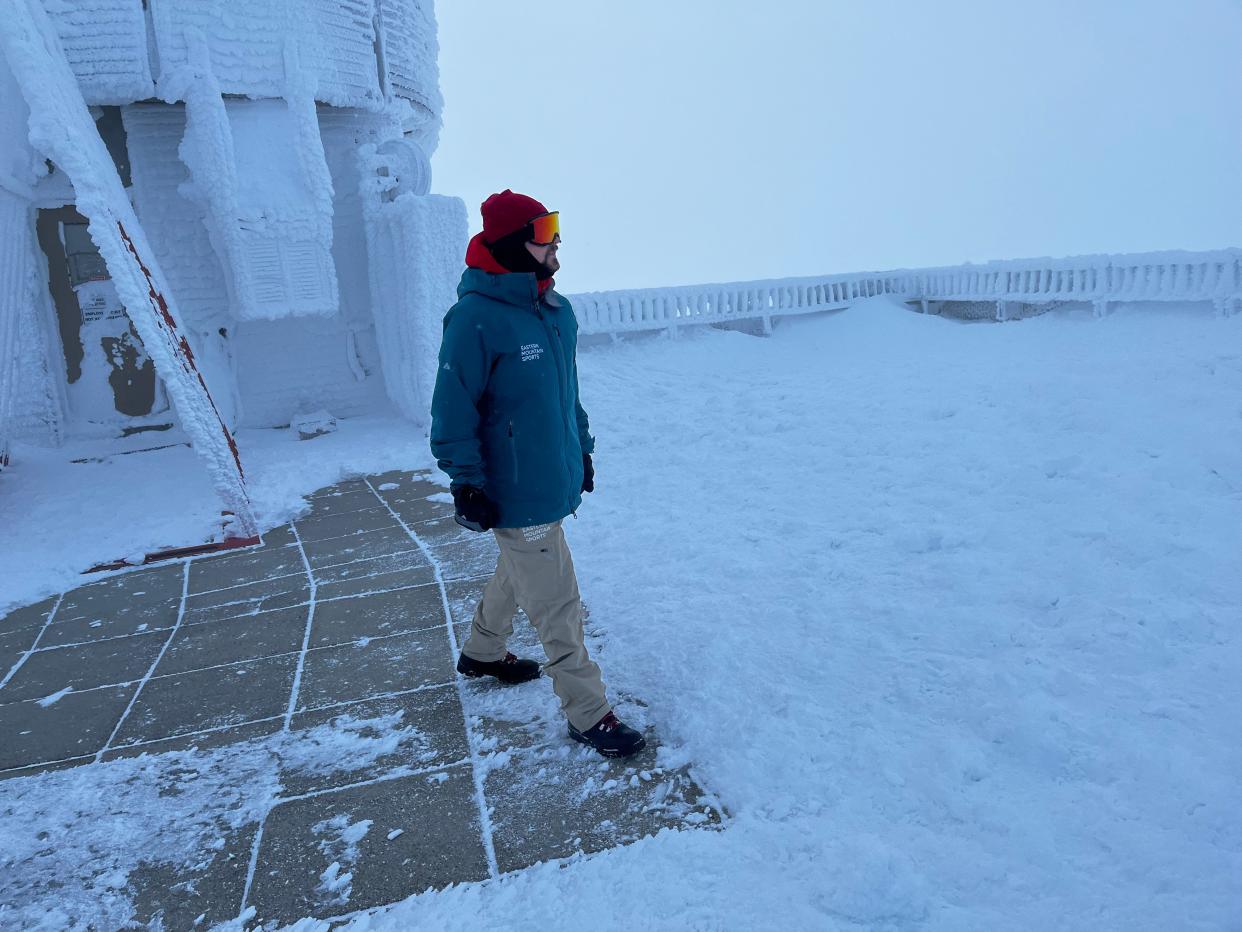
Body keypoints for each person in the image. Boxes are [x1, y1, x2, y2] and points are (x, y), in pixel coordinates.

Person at [430, 189, 646, 759]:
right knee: (556, 601)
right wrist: (466, 481)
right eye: (543, 229)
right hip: (512, 485)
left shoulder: (555, 311)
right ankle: (588, 711)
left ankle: (482, 651)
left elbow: (564, 395)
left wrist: (584, 451)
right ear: (509, 242)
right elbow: (453, 408)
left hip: (552, 475)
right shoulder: (474, 319)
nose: (555, 241)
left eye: (555, 225)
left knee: (523, 562)